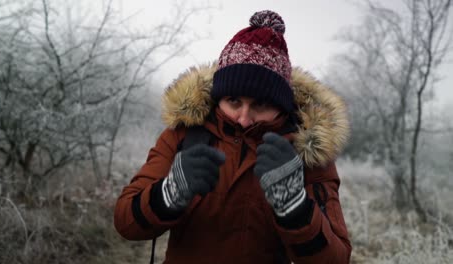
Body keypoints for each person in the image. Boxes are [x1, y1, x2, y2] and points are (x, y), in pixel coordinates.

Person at [114, 10, 352, 263]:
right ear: (219, 97)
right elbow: (126, 223)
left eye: (260, 104)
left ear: (281, 106)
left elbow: (336, 258)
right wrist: (169, 192)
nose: (244, 117)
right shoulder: (183, 135)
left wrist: (295, 207)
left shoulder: (308, 153)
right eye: (234, 101)